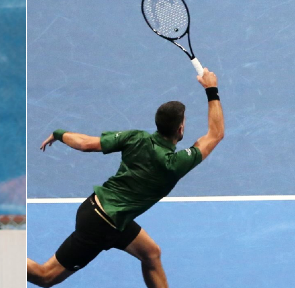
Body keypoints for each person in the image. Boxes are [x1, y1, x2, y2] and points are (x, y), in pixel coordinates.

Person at [27, 69, 225, 288]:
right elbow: (215, 134)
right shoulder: (176, 164)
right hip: (102, 225)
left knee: (151, 254)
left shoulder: (135, 137)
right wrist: (211, 89)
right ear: (180, 129)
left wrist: (58, 133)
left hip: (97, 208)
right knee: (45, 276)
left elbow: (85, 143)